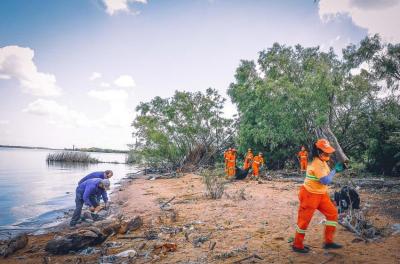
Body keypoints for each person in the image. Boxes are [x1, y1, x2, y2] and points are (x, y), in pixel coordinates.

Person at [292, 139, 345, 253]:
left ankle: (328, 242)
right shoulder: (317, 163)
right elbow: (325, 180)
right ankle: (297, 245)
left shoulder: (323, 162)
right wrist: (335, 170)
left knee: (332, 214)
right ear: (318, 152)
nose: (328, 154)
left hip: (321, 194)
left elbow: (326, 177)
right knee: (303, 221)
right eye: (326, 152)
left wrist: (336, 170)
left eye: (328, 152)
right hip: (309, 195)